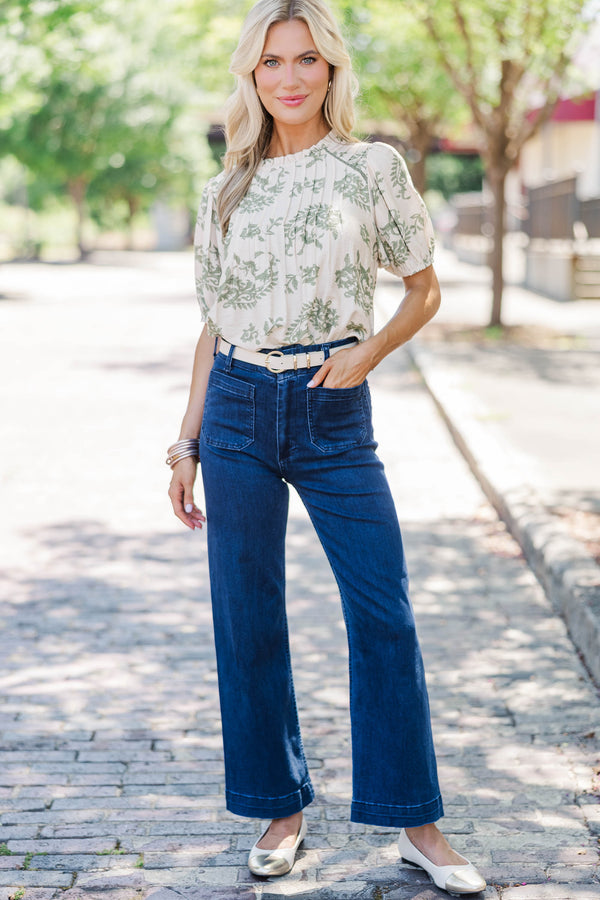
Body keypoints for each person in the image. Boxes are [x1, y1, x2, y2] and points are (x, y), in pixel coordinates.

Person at [167, 0, 486, 894]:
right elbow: (209, 325)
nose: (291, 77)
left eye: (308, 59)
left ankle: (416, 824)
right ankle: (280, 809)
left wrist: (370, 352)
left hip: (331, 407)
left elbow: (424, 290)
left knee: (383, 610)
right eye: (273, 62)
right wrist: (183, 442)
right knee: (248, 616)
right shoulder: (225, 186)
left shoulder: (369, 168)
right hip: (234, 407)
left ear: (332, 71)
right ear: (252, 75)